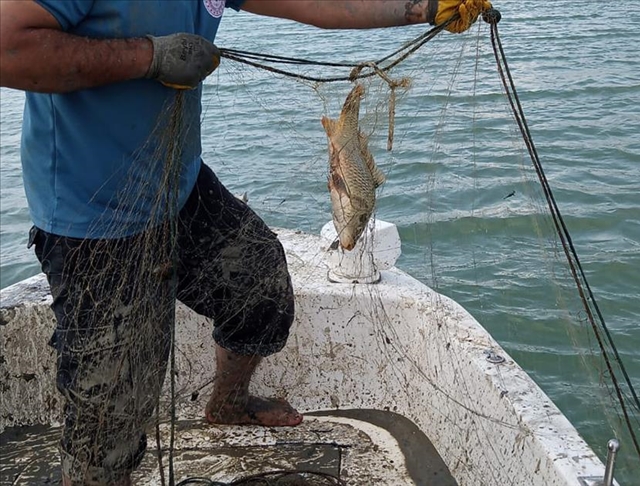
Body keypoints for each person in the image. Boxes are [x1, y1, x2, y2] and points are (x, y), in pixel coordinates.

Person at [0, 0, 491, 484]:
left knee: (259, 284)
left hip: (177, 186)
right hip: (93, 218)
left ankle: (228, 405)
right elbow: (8, 45)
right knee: (110, 419)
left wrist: (422, 8)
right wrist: (149, 57)